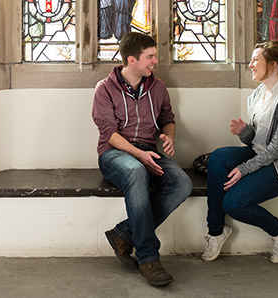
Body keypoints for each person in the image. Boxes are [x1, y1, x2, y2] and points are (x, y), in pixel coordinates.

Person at [92, 32, 192, 286]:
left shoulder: (157, 87)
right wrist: (139, 155)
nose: (155, 61)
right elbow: (109, 134)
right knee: (136, 171)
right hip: (114, 153)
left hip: (149, 149)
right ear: (131, 60)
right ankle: (148, 257)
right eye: (149, 57)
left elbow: (168, 119)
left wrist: (168, 136)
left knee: (182, 183)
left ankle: (124, 234)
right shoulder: (104, 89)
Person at [202, 40, 278, 264]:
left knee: (233, 203)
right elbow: (258, 140)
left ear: (272, 65)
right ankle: (216, 231)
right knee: (219, 156)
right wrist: (245, 133)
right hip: (259, 155)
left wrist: (243, 169)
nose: (250, 64)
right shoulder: (259, 93)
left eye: (255, 60)